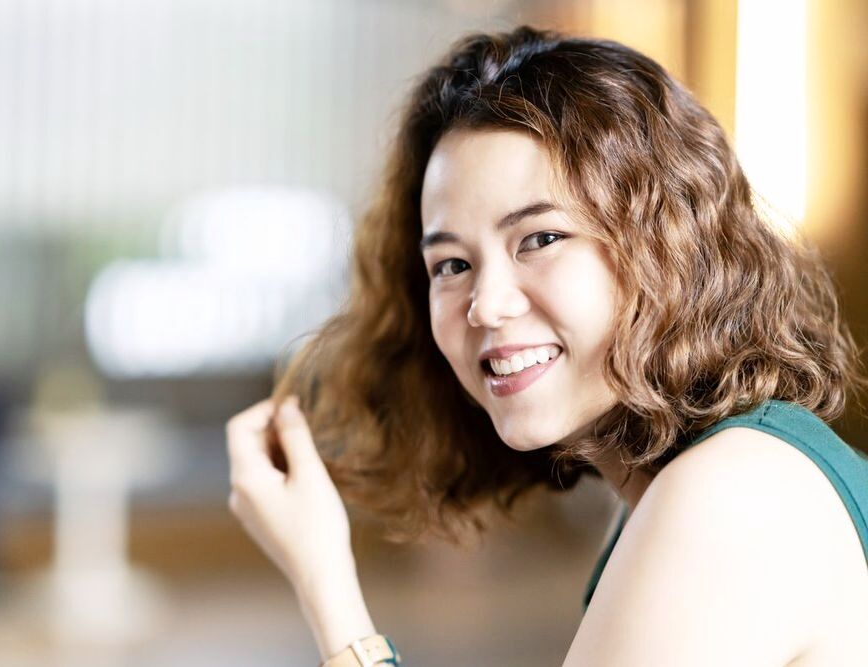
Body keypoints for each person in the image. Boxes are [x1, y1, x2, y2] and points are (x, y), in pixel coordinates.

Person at [225, 26, 868, 666]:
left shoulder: (731, 495)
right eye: (451, 264)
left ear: (669, 245)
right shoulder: (679, 484)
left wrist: (326, 586)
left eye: (539, 239)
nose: (486, 303)